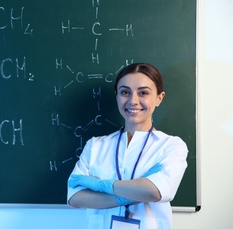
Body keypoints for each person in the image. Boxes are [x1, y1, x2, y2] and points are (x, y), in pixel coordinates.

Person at [67, 63, 188, 229]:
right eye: (125, 92)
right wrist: (125, 196)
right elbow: (75, 197)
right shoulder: (95, 145)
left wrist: (103, 185)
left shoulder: (171, 146)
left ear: (159, 98)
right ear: (117, 96)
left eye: (143, 93)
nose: (133, 101)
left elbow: (155, 192)